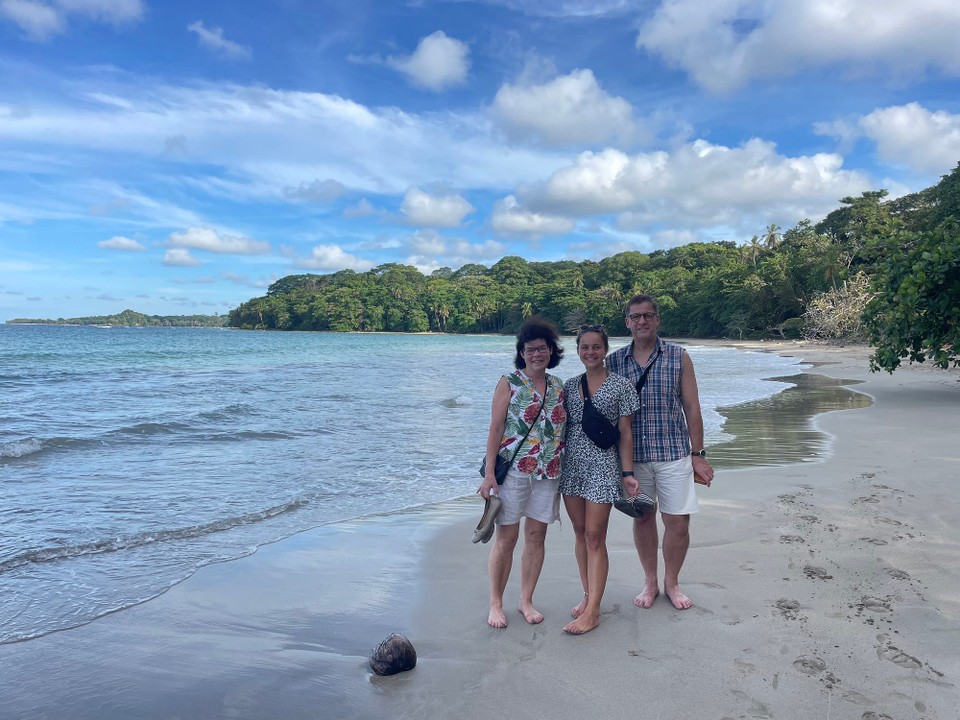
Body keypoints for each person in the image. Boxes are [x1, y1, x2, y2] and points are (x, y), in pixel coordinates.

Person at [607, 295, 715, 610]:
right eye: (635, 317)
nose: (642, 322)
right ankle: (650, 582)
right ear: (627, 322)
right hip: (633, 458)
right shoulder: (613, 362)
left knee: (678, 522)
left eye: (648, 316)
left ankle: (672, 582)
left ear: (657, 320)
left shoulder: (678, 356)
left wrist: (698, 453)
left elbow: (692, 407)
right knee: (643, 519)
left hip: (674, 452)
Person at [559, 324, 652, 635]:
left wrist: (627, 474)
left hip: (603, 466)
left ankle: (594, 610)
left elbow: (626, 434)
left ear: (605, 349)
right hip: (571, 466)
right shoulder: (570, 386)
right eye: (584, 347)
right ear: (578, 351)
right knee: (580, 531)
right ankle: (587, 596)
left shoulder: (621, 386)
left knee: (596, 537)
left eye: (596, 347)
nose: (590, 352)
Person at [478, 317, 567, 629]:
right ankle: (496, 603)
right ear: (522, 352)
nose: (536, 354)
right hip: (514, 471)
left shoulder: (559, 386)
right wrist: (489, 474)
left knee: (536, 536)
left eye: (542, 349)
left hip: (549, 472)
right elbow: (496, 428)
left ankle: (526, 600)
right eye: (530, 349)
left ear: (551, 351)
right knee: (506, 538)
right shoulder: (509, 382)